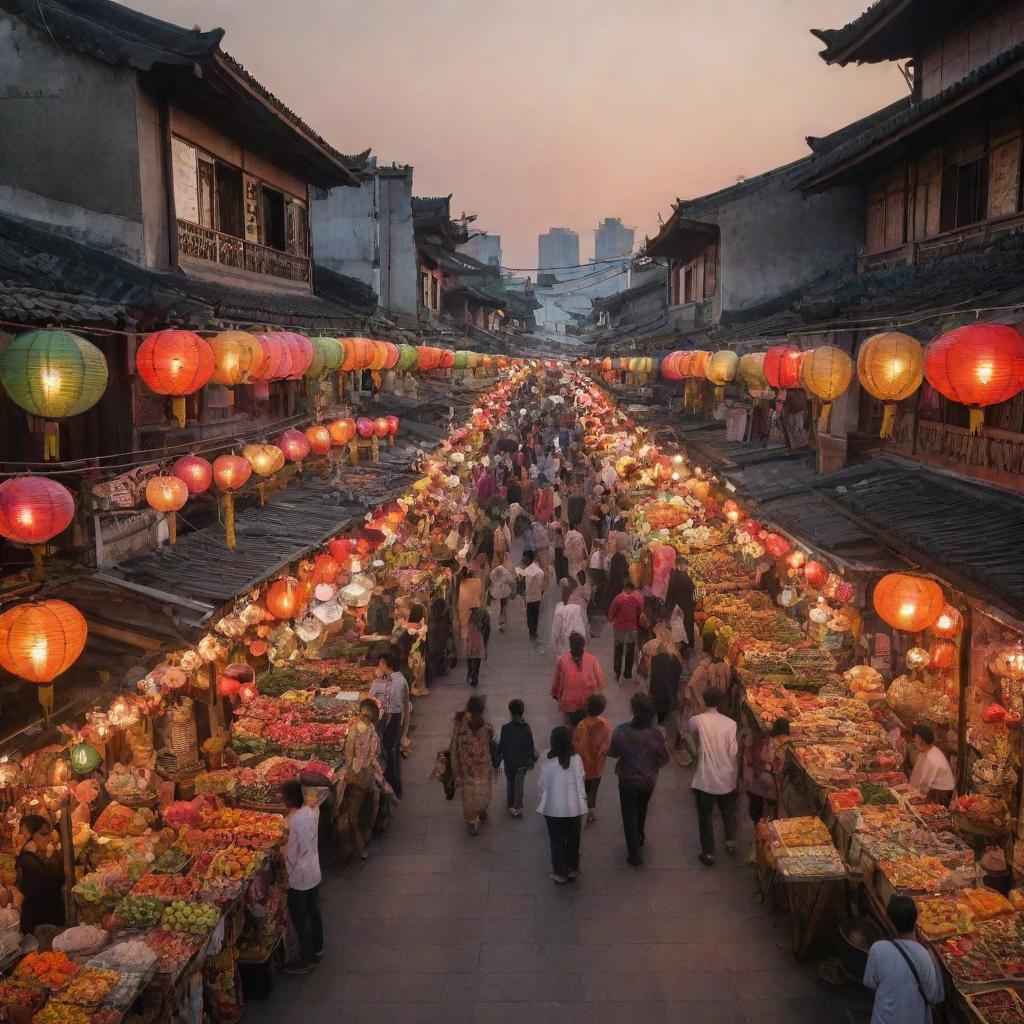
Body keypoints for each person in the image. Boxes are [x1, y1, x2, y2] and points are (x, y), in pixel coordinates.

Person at [608, 692, 671, 867]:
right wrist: (653, 768)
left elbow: (612, 753)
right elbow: (666, 758)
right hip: (648, 781)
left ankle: (634, 854)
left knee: (629, 815)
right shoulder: (657, 734)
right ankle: (640, 835)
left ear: (633, 709)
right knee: (642, 808)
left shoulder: (621, 731)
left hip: (627, 780)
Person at [864, 895, 944, 1024]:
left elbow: (870, 982)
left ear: (889, 921)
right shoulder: (924, 954)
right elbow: (934, 997)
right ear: (916, 920)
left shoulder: (877, 948)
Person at [688, 688, 739, 866]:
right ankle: (730, 841)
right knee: (728, 811)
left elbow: (689, 729)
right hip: (726, 775)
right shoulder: (731, 724)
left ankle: (708, 852)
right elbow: (733, 751)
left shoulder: (697, 721)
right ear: (720, 702)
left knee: (705, 815)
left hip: (705, 777)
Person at [281, 781, 322, 974]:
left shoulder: (292, 822)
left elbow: (290, 853)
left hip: (299, 876)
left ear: (289, 800)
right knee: (314, 911)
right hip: (314, 870)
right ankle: (318, 949)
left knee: (301, 918)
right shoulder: (312, 811)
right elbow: (321, 795)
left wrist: (279, 854)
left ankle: (306, 960)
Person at [537, 726, 587, 885]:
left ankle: (560, 873)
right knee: (574, 838)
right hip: (574, 807)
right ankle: (573, 868)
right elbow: (581, 780)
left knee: (557, 840)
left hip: (553, 808)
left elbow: (541, 785)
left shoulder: (546, 758)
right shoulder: (576, 758)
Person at [450, 694, 495, 834]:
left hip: (482, 769)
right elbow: (455, 747)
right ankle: (471, 820)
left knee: (483, 793)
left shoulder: (487, 729)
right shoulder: (460, 726)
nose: (478, 717)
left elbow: (489, 747)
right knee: (469, 797)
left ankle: (481, 811)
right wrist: (455, 770)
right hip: (467, 770)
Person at [369, 650, 409, 799]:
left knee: (388, 753)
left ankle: (391, 788)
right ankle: (395, 787)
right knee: (392, 753)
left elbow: (370, 700)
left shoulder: (381, 682)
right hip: (396, 720)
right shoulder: (402, 680)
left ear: (384, 664)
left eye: (380, 663)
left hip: (388, 720)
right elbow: (406, 705)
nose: (378, 666)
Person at [15, 814, 64, 935]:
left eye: (48, 833)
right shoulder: (30, 862)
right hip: (39, 927)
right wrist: (53, 859)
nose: (48, 838)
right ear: (31, 836)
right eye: (43, 834)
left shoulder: (32, 857)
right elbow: (52, 887)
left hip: (41, 922)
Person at [551, 632, 606, 726]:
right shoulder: (592, 659)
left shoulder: (563, 660)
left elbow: (557, 679)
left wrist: (555, 693)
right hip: (586, 702)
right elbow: (601, 681)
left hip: (568, 701)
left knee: (570, 726)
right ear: (583, 645)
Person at [573, 692, 612, 825]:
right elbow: (608, 744)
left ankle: (582, 811)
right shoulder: (605, 724)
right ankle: (592, 811)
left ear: (588, 706)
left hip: (583, 767)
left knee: (583, 788)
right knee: (593, 790)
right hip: (598, 766)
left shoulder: (582, 726)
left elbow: (578, 747)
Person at [493, 699, 537, 817]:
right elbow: (530, 746)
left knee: (510, 783)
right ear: (522, 713)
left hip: (509, 763)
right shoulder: (526, 729)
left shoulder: (505, 728)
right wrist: (533, 757)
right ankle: (517, 807)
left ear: (512, 713)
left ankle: (510, 804)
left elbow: (501, 745)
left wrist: (497, 757)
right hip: (521, 765)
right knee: (519, 787)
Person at [743, 718, 790, 826]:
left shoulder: (776, 742)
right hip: (759, 781)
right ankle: (761, 829)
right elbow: (765, 765)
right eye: (786, 736)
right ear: (782, 734)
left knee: (761, 811)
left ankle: (763, 826)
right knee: (758, 810)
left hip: (761, 781)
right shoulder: (765, 744)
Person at [607, 579, 645, 682]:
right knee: (630, 651)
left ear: (624, 588)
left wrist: (612, 619)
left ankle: (617, 672)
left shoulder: (618, 598)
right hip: (632, 629)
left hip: (619, 629)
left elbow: (611, 615)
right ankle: (627, 673)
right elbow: (640, 613)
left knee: (618, 650)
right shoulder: (637, 599)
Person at [908, 724, 955, 806]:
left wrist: (912, 794)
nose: (913, 740)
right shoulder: (930, 750)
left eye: (915, 737)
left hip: (941, 794)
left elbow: (924, 786)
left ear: (919, 739)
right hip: (937, 790)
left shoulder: (931, 757)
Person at [517, 549, 546, 644]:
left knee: (530, 616)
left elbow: (523, 583)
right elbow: (542, 577)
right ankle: (534, 632)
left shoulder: (527, 571)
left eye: (524, 559)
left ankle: (532, 633)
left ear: (529, 559)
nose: (523, 560)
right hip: (537, 597)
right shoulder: (537, 569)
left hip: (530, 598)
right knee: (535, 616)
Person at [550, 581, 588, 656]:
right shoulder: (577, 608)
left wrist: (555, 644)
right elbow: (583, 627)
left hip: (566, 643)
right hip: (573, 642)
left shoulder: (561, 608)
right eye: (574, 595)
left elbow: (556, 632)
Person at [488, 556, 516, 633]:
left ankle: (502, 623)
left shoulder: (494, 571)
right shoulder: (503, 571)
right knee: (503, 607)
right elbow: (510, 581)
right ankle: (502, 624)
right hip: (503, 592)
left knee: (501, 607)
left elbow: (492, 580)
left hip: (497, 592)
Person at [465, 606, 489, 687]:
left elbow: (470, 639)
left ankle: (472, 676)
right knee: (476, 666)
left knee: (471, 665)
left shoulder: (471, 625)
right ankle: (475, 679)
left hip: (471, 648)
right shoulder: (481, 627)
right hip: (478, 649)